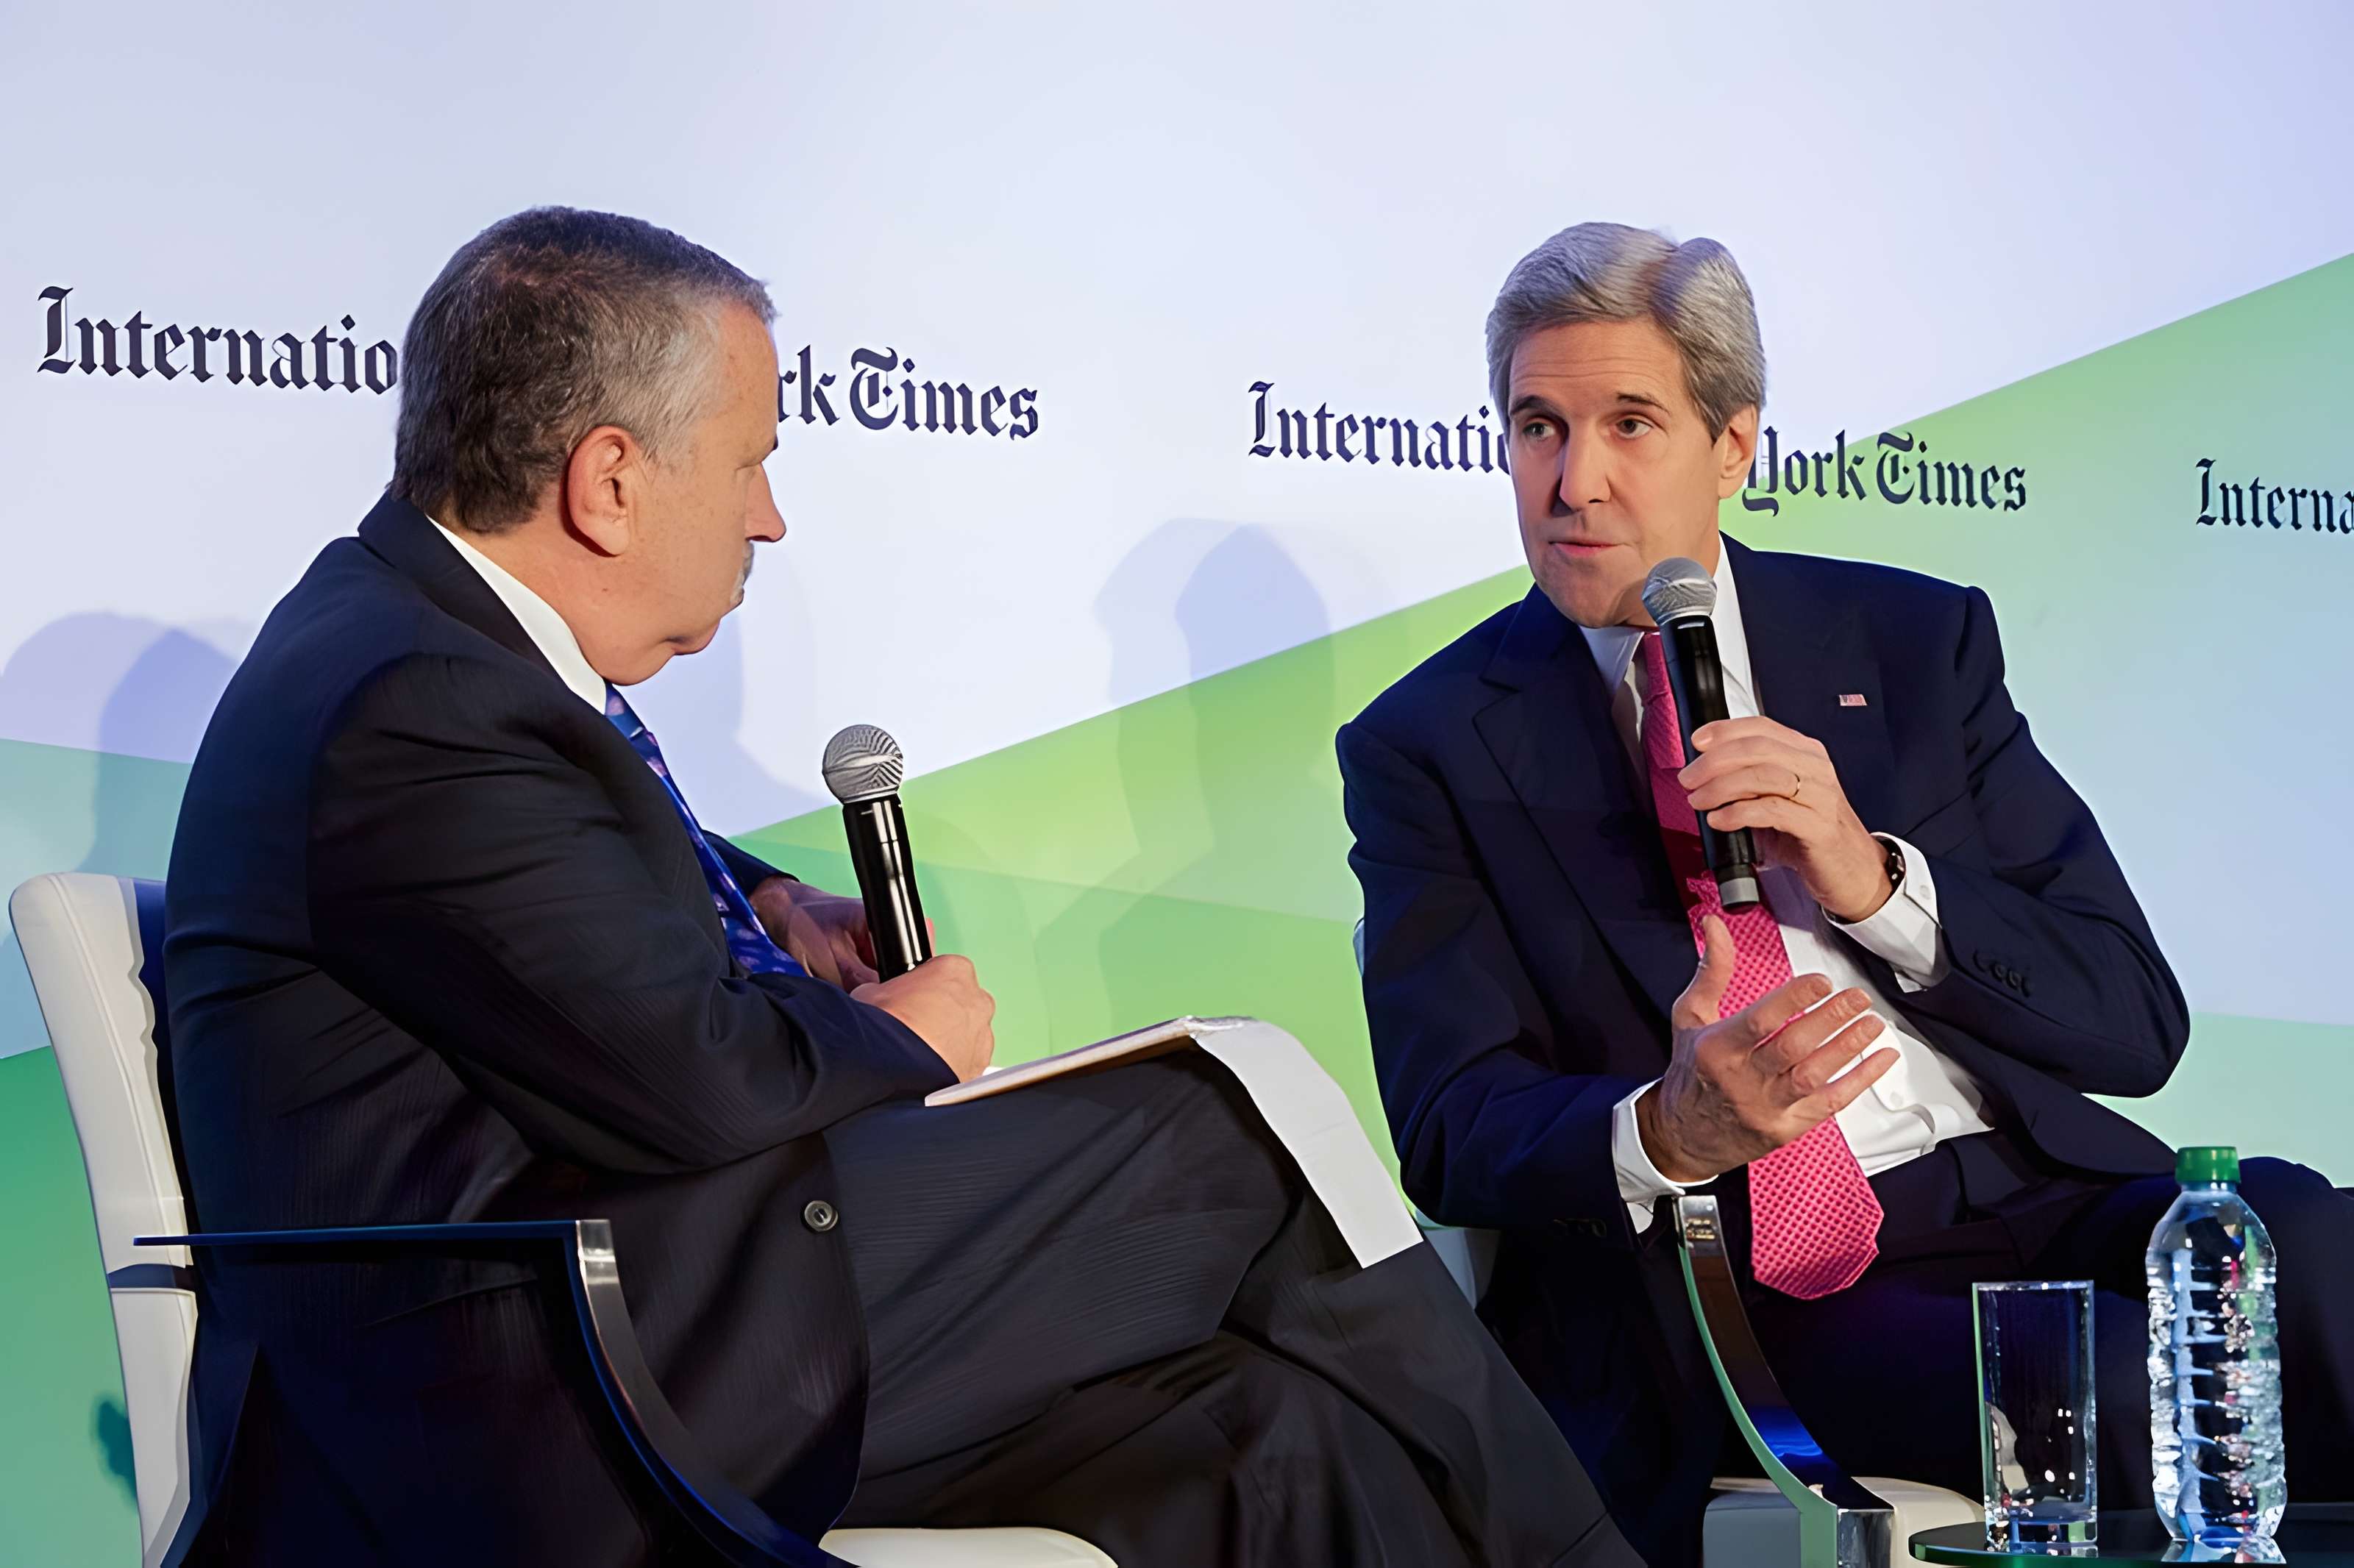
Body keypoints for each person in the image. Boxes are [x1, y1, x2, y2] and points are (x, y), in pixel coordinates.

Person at [162, 207, 1640, 1568]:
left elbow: (539, 884)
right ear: (610, 478)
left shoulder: (422, 657)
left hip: (640, 1316)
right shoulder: (414, 700)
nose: (768, 519)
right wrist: (910, 1039)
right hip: (539, 1397)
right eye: (750, 462)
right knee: (1216, 1133)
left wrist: (764, 909)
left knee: (1265, 1437)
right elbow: (699, 1082)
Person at [1338, 221, 2354, 1567]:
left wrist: (1873, 881)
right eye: (1537, 427)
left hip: (2035, 1183)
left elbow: (2134, 1027)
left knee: (2312, 1252)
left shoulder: (1912, 641)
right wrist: (1675, 1125)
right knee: (2108, 1394)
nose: (1573, 480)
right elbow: (1451, 1126)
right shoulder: (1431, 744)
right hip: (1767, 1277)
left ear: (1734, 444)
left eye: (1630, 423)